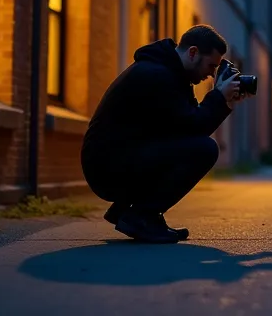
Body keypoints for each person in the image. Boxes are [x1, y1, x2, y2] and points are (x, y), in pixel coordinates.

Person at [81, 25, 248, 244]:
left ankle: (138, 214)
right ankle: (141, 216)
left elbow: (192, 128)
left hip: (121, 157)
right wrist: (217, 97)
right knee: (205, 149)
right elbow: (194, 128)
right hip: (107, 167)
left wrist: (224, 102)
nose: (211, 74)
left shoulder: (171, 74)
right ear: (192, 52)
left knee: (199, 147)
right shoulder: (157, 75)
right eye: (211, 66)